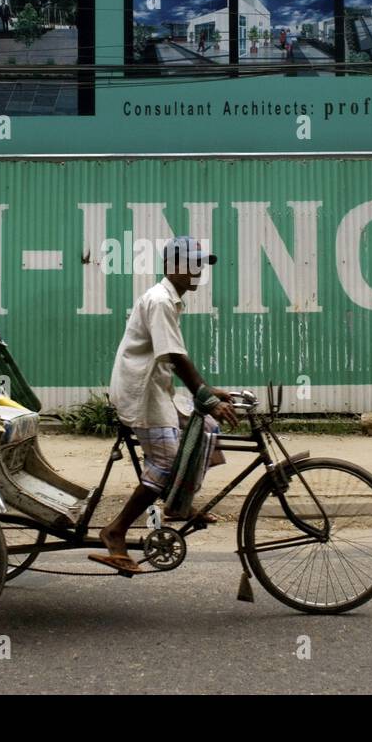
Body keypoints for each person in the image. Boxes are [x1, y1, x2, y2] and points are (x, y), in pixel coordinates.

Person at [92, 237, 239, 574]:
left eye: (200, 263)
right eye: (191, 263)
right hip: (141, 393)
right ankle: (115, 530)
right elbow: (174, 355)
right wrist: (206, 397)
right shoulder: (160, 301)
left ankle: (178, 505)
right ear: (172, 266)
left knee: (208, 429)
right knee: (167, 460)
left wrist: (207, 391)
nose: (197, 270)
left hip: (157, 388)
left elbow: (173, 357)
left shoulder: (169, 300)